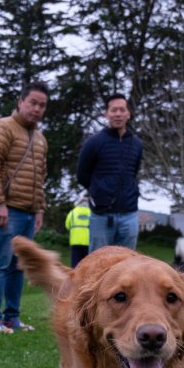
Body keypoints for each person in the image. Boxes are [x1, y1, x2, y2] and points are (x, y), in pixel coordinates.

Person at [0, 81, 49, 334]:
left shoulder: (40, 138)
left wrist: (40, 209)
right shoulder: (2, 127)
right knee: (0, 263)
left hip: (30, 213)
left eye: (42, 105)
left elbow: (41, 175)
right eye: (32, 102)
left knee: (18, 266)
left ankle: (12, 318)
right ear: (20, 102)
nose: (37, 109)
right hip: (7, 210)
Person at [76, 93, 143, 252]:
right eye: (113, 110)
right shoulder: (94, 143)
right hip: (101, 216)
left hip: (129, 215)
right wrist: (100, 192)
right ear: (106, 113)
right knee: (98, 266)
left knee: (127, 267)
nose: (118, 114)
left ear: (128, 114)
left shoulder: (137, 144)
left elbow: (133, 173)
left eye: (122, 110)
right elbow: (82, 175)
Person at [65, 193, 91, 268]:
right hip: (88, 242)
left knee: (75, 264)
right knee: (87, 264)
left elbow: (67, 225)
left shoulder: (72, 212)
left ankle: (74, 278)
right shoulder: (92, 213)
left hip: (75, 241)